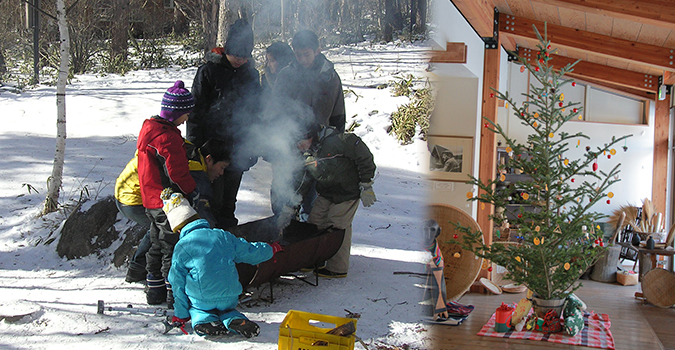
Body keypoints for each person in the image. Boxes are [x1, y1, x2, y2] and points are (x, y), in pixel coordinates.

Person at [162, 190, 283, 337]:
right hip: (230, 296)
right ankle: (234, 319)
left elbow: (177, 283)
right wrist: (270, 249)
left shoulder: (182, 247)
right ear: (196, 217)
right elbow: (249, 251)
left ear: (178, 229)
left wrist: (181, 314)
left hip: (202, 299)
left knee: (197, 308)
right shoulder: (222, 235)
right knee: (227, 310)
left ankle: (203, 321)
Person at [120, 138, 233, 284]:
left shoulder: (191, 152)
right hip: (134, 200)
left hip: (127, 191)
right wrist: (217, 238)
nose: (222, 173)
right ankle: (139, 270)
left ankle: (141, 270)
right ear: (209, 159)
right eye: (222, 167)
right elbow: (202, 215)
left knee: (165, 223)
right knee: (164, 225)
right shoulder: (196, 172)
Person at [188, 18, 262, 230]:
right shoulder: (208, 71)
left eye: (245, 56)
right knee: (212, 201)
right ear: (227, 49)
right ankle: (211, 243)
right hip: (212, 150)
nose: (240, 60)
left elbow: (257, 113)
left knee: (229, 202)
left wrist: (254, 146)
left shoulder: (251, 75)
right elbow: (196, 112)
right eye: (236, 55)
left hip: (238, 148)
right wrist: (195, 147)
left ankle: (229, 242)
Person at [278, 124, 376, 278]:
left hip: (347, 192)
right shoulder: (308, 157)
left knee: (337, 226)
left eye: (301, 142)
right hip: (326, 192)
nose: (300, 147)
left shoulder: (338, 141)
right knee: (314, 223)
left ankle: (337, 268)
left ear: (311, 137)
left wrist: (366, 184)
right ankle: (315, 259)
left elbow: (363, 155)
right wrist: (289, 207)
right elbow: (302, 183)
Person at [272, 30, 347, 221]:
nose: (303, 59)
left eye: (307, 54)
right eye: (298, 54)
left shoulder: (330, 77)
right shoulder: (286, 75)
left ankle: (306, 236)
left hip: (318, 146)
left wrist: (334, 144)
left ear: (318, 50)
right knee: (284, 192)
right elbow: (277, 110)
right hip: (290, 144)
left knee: (311, 198)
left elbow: (337, 114)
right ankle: (281, 232)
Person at [137, 80, 197, 306]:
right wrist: (192, 191)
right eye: (186, 114)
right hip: (168, 201)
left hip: (151, 199)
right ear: (176, 113)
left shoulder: (151, 130)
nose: (187, 119)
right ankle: (175, 297)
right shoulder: (168, 138)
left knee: (157, 243)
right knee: (172, 246)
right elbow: (177, 173)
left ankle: (155, 291)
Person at [114, 152, 152, 283]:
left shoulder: (150, 147)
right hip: (131, 201)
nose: (220, 173)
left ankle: (137, 268)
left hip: (123, 195)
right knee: (159, 227)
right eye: (220, 168)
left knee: (158, 226)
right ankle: (136, 269)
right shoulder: (170, 149)